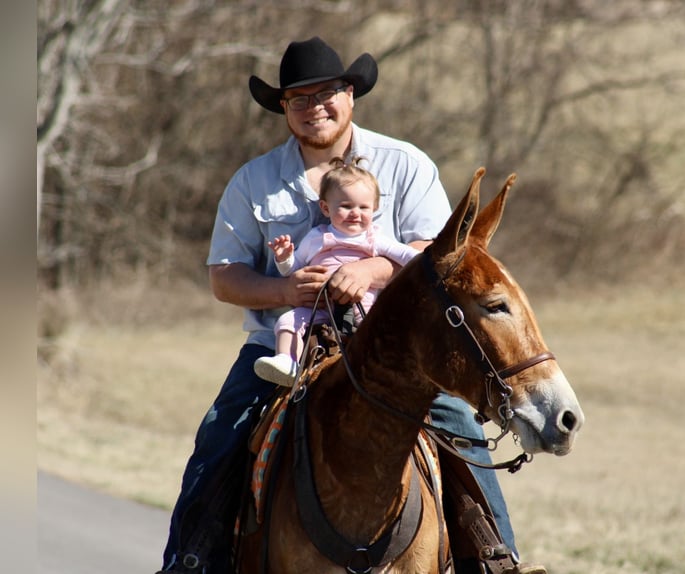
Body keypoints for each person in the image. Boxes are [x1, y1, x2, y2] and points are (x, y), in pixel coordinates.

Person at [157, 36, 544, 574]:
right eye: (299, 98)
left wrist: (373, 268)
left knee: (459, 424)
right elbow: (224, 278)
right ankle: (191, 560)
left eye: (325, 94)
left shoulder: (404, 163)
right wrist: (284, 292)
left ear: (349, 94)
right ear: (283, 108)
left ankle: (495, 557)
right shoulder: (253, 181)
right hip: (283, 344)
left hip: (392, 348)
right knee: (221, 431)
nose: (314, 107)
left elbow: (442, 258)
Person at [254, 156, 420, 386]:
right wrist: (284, 258)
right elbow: (293, 271)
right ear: (325, 207)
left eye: (363, 207)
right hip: (318, 311)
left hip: (365, 312)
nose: (355, 213)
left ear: (375, 209)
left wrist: (428, 261)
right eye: (345, 206)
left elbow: (405, 255)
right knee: (287, 321)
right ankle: (287, 361)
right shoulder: (317, 238)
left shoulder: (374, 238)